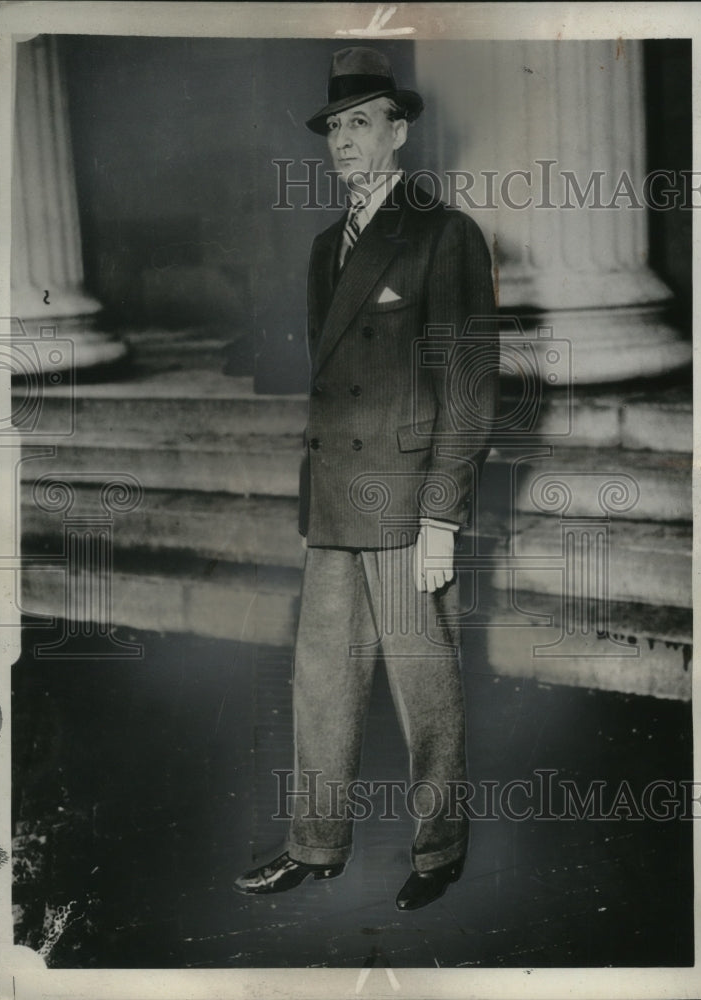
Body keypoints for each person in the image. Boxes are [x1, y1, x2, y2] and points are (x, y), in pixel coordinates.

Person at [235, 46, 499, 911]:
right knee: (319, 686)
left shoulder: (444, 234)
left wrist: (442, 518)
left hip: (406, 499)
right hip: (335, 504)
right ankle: (315, 845)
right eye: (333, 127)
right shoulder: (324, 247)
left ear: (398, 131)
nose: (341, 140)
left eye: (359, 123)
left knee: (426, 692)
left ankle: (439, 853)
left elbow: (466, 384)